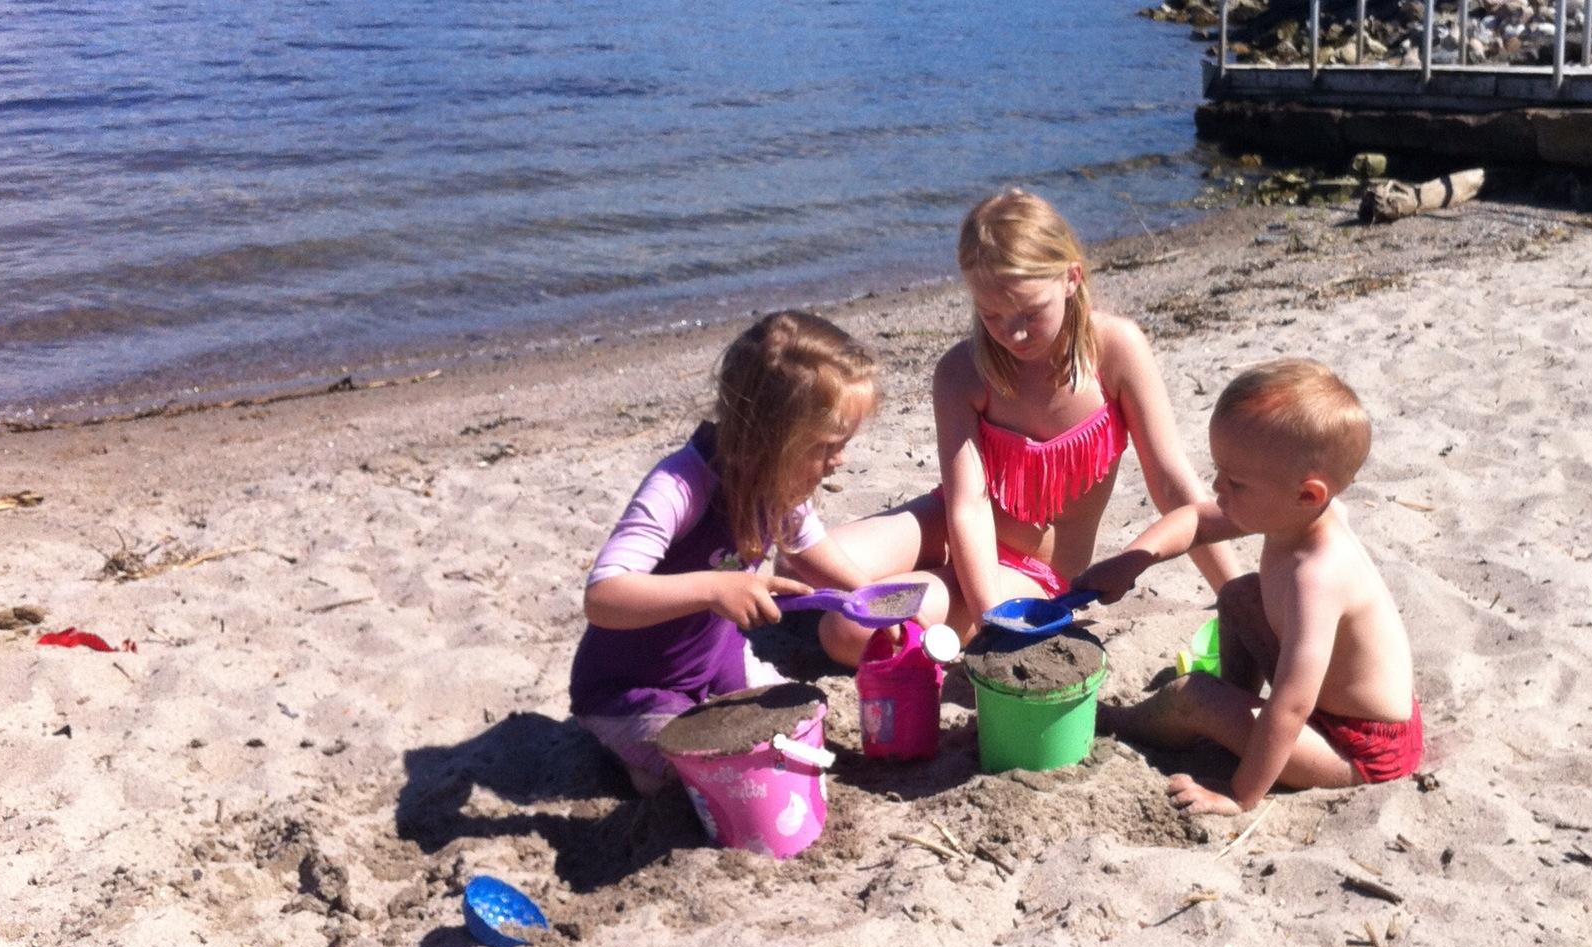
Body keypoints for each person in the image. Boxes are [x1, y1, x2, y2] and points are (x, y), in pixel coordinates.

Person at [818, 189, 1240, 664]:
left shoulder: (1116, 351)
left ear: (1071, 278)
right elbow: (968, 506)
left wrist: (1236, 593)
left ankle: (929, 592)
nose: (1012, 333)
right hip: (951, 523)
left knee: (850, 629)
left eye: (1029, 313)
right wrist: (989, 614)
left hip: (1029, 570)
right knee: (807, 566)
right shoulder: (963, 371)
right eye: (991, 315)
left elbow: (1171, 484)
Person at [1078, 359, 1420, 814]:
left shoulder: (1316, 577)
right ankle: (1231, 707)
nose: (1218, 488)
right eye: (1219, 471)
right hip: (1328, 707)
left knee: (1191, 697)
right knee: (1240, 594)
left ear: (1307, 494)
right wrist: (1131, 562)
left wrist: (1238, 795)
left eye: (1235, 482)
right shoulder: (1293, 514)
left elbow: (1292, 706)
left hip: (1358, 750)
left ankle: (1119, 721)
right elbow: (1197, 520)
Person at [569, 310, 887, 793]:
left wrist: (867, 595)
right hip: (629, 687)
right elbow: (604, 596)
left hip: (716, 661)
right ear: (770, 439)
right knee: (708, 776)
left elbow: (808, 546)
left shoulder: (779, 482)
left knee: (800, 719)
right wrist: (716, 587)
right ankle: (628, 754)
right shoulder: (680, 486)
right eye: (827, 445)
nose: (839, 459)